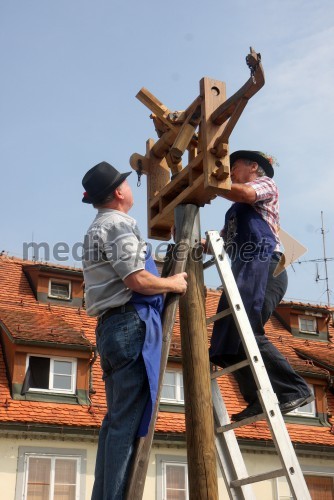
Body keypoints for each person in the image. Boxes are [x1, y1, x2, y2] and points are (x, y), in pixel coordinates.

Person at [81, 161, 187, 500]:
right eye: (126, 183)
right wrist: (172, 282)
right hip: (129, 323)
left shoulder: (101, 225)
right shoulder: (118, 225)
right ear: (117, 192)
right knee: (125, 426)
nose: (130, 187)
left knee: (116, 423)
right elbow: (136, 280)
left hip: (113, 327)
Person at [209, 150, 313, 421]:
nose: (229, 171)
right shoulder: (233, 213)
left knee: (247, 331)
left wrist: (208, 181)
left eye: (234, 166)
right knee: (224, 344)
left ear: (254, 166)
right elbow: (221, 242)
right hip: (244, 272)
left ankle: (294, 389)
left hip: (266, 267)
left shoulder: (265, 185)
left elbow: (243, 193)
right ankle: (259, 396)